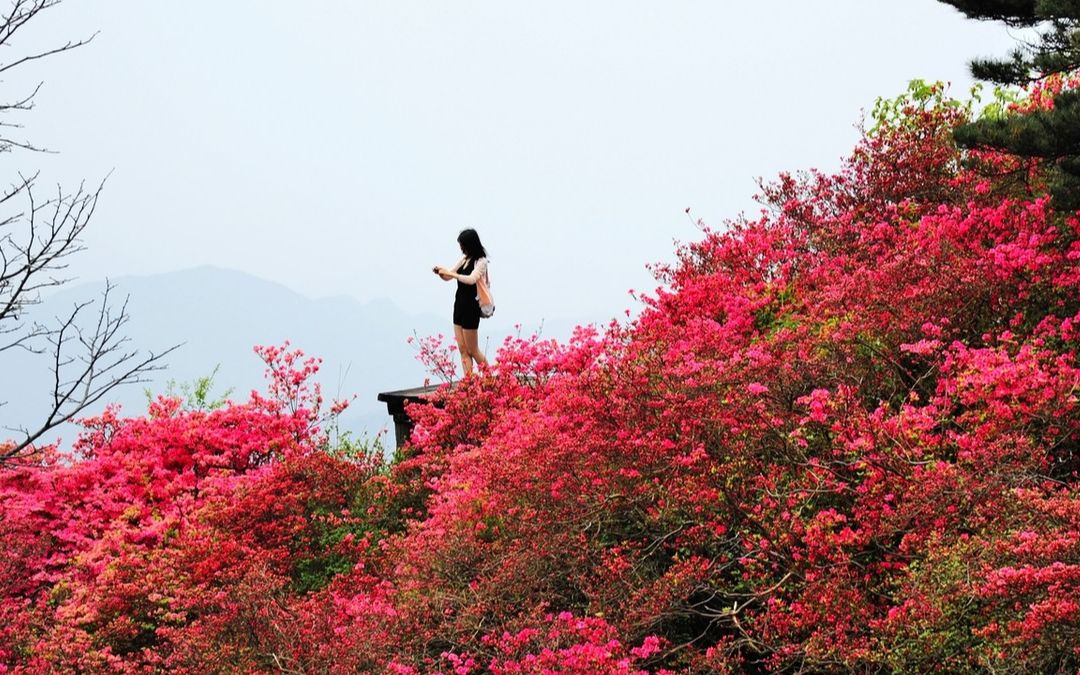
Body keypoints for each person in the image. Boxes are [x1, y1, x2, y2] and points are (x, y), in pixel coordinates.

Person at [433, 228, 490, 376]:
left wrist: (451, 273)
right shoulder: (465, 259)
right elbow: (449, 276)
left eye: (462, 245)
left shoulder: (481, 261)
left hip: (471, 307)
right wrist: (441, 273)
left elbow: (471, 279)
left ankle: (489, 378)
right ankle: (469, 382)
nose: (461, 248)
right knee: (463, 349)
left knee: (473, 349)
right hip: (459, 305)